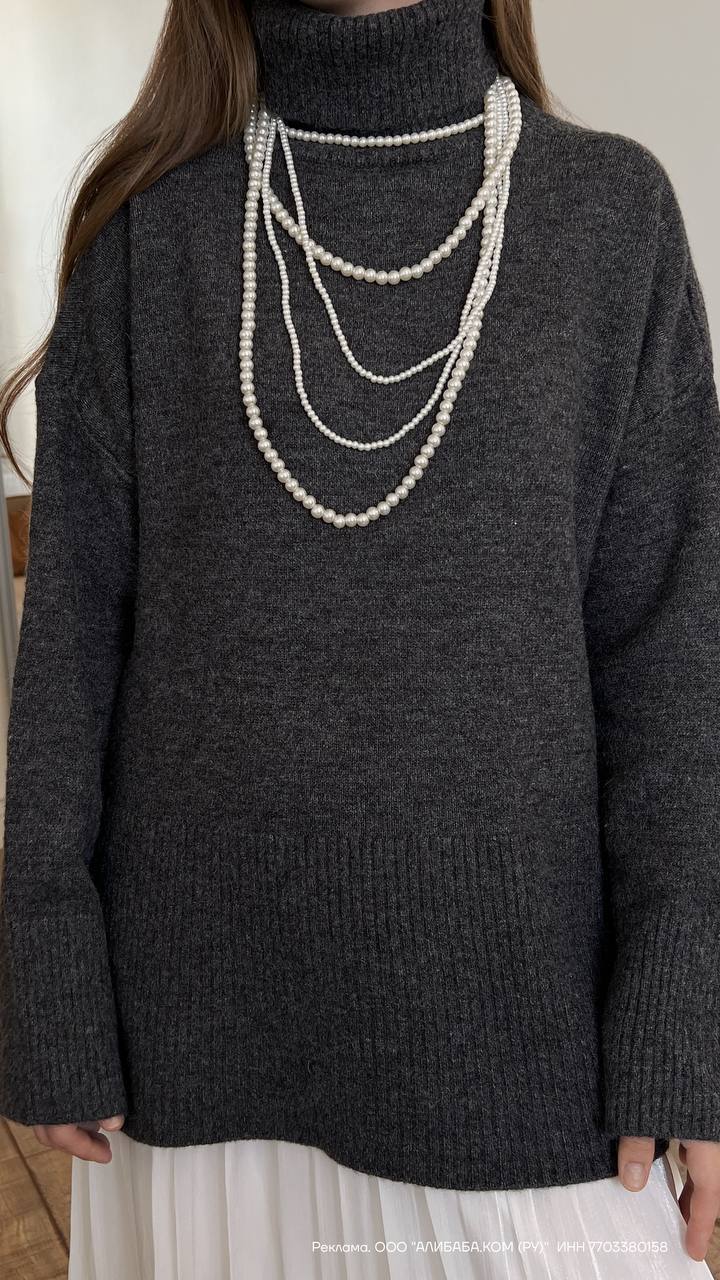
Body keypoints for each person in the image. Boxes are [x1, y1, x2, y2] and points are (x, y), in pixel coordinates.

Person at [0, 0, 718, 1275]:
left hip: (523, 1053)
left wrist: (686, 1010)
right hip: (194, 1063)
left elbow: (670, 666)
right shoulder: (154, 231)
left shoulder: (610, 217)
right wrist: (48, 968)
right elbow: (68, 657)